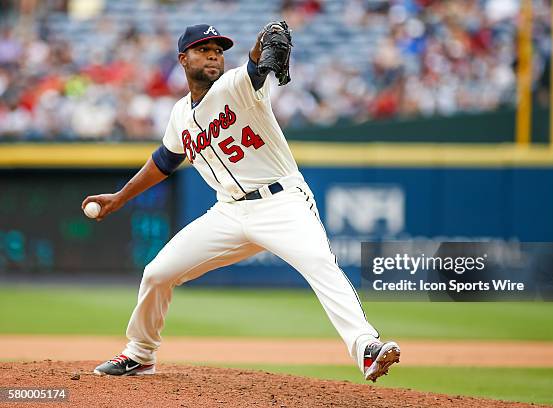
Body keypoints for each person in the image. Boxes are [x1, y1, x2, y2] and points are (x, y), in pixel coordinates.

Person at [84, 22, 400, 382]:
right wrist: (121, 197)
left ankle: (366, 346)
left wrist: (266, 37)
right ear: (183, 59)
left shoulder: (237, 85)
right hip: (229, 212)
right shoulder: (179, 115)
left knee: (320, 265)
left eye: (218, 50)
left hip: (281, 203)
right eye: (204, 50)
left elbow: (254, 63)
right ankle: (140, 355)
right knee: (157, 273)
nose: (214, 55)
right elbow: (164, 161)